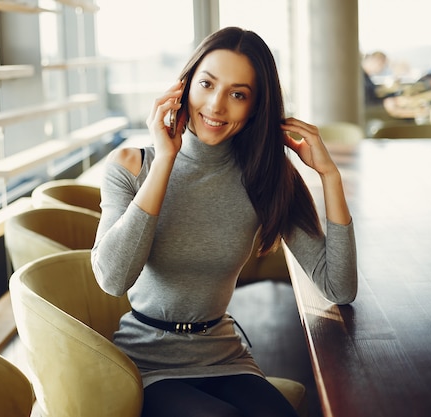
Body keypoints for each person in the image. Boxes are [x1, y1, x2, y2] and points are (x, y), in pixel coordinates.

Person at [91, 27, 357, 417]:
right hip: (147, 362)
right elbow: (113, 279)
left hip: (225, 356)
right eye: (206, 84)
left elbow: (339, 287)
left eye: (237, 94)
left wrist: (329, 177)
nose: (216, 105)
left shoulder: (265, 176)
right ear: (184, 87)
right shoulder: (132, 166)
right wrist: (165, 161)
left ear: (255, 107)